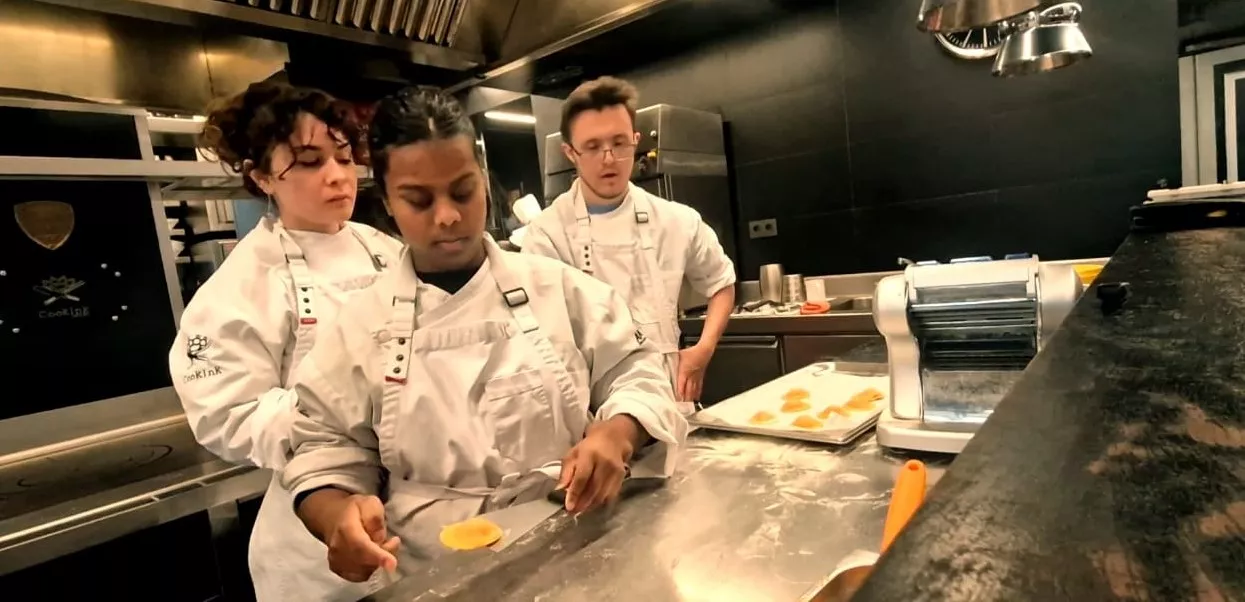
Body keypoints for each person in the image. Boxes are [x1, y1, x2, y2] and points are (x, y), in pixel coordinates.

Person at [280, 88, 688, 583]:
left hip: (582, 542)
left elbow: (637, 372)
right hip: (438, 571)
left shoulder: (559, 289)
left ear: (484, 183)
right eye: (418, 200)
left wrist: (617, 431)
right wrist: (336, 520)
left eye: (462, 191)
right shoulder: (359, 327)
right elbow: (325, 448)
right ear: (387, 202)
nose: (447, 215)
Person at [167, 82, 404, 601]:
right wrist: (350, 423)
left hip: (412, 500)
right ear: (262, 178)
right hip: (315, 534)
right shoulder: (242, 284)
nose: (338, 175)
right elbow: (229, 410)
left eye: (344, 157)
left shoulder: (386, 251)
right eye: (310, 162)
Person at [521, 76, 737, 415]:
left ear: (635, 141)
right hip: (591, 414)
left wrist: (704, 349)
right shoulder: (546, 235)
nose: (608, 159)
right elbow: (542, 339)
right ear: (570, 153)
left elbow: (721, 283)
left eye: (619, 143)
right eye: (592, 147)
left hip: (671, 404)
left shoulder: (676, 220)